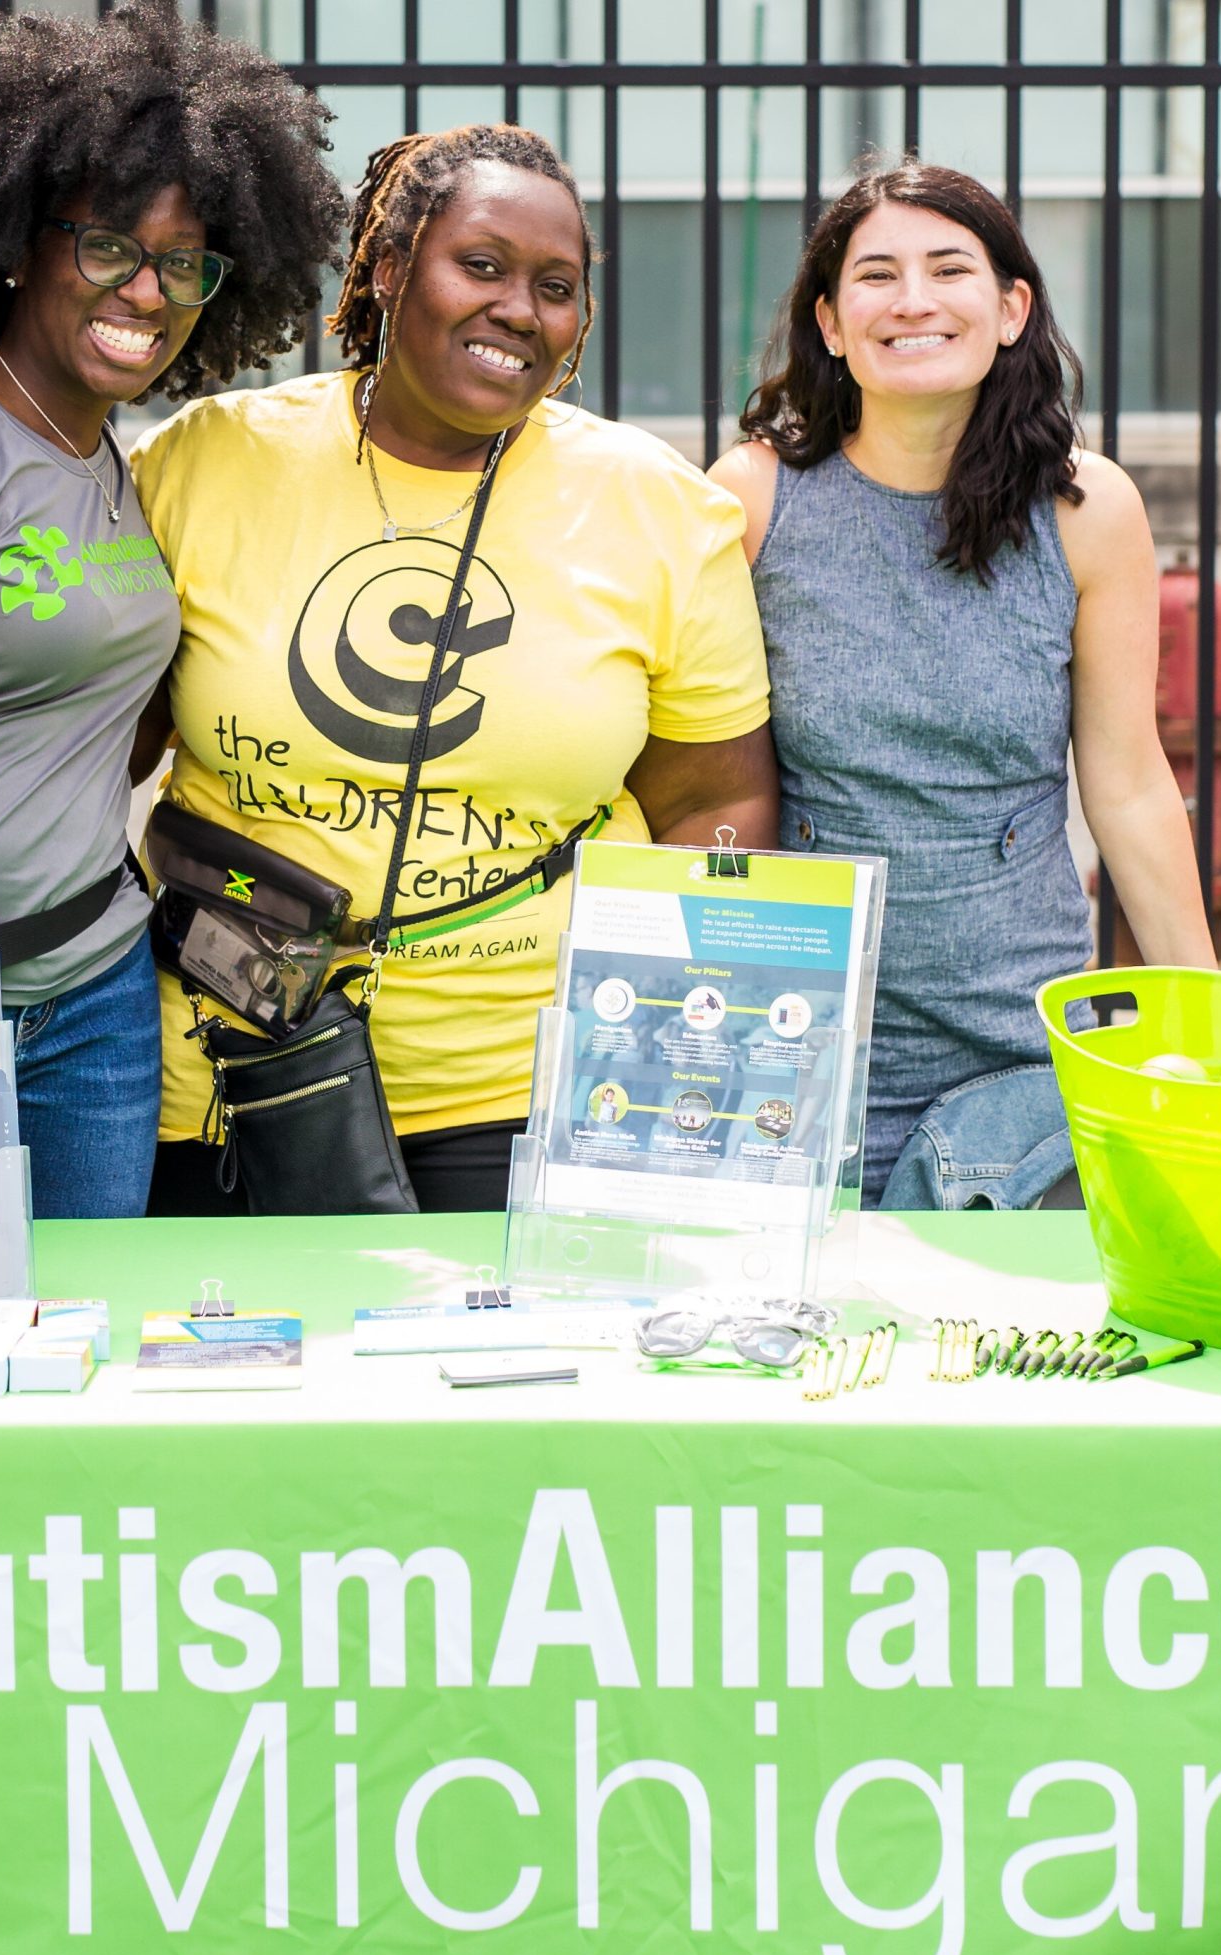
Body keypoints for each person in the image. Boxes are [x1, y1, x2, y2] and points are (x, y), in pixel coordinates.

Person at [131, 121, 779, 1215]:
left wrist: (676, 1041)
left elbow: (716, 799)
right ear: (386, 270)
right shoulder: (205, 461)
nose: (520, 310)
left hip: (534, 1088)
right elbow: (95, 725)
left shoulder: (657, 509)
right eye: (479, 266)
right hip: (231, 1067)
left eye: (556, 286)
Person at [0, 3, 343, 1218]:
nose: (146, 289)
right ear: (19, 243)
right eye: (108, 248)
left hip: (95, 995)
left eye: (183, 263)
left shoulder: (107, 462)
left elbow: (100, 711)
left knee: (77, 1358)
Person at [711, 161, 1215, 1210]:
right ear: (832, 323)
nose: (912, 301)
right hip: (797, 1048)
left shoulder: (1087, 510)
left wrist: (1207, 1028)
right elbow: (695, 782)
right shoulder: (752, 500)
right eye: (876, 276)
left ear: (1011, 308)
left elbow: (1125, 786)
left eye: (949, 268)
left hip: (1017, 1053)